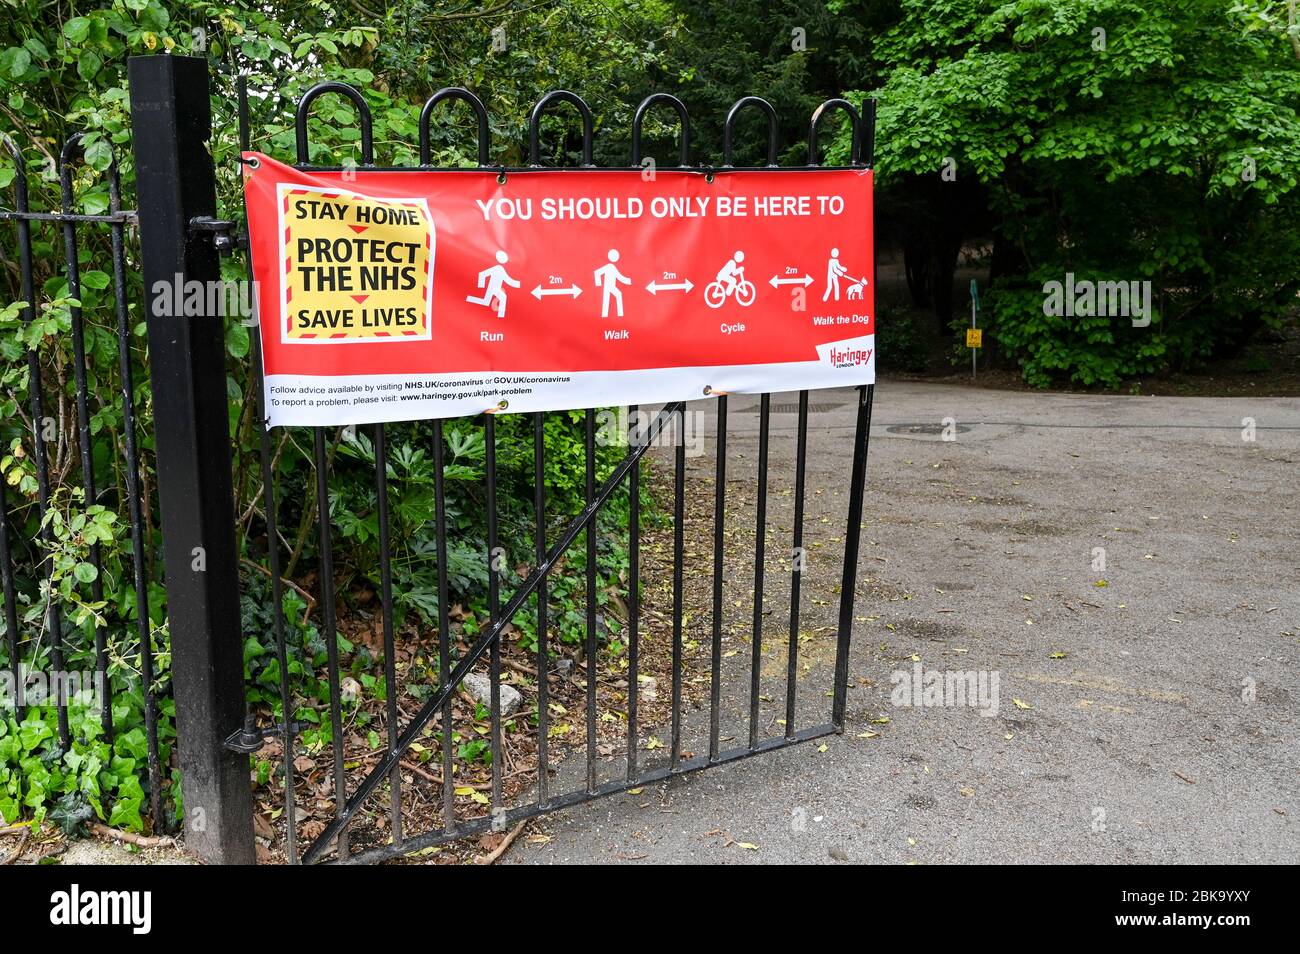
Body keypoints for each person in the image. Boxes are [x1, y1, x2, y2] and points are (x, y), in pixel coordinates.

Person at [466, 249, 520, 318]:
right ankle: (501, 316)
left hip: (495, 288)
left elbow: (507, 279)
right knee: (500, 298)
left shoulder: (500, 268)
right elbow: (483, 274)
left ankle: (470, 298)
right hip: (492, 288)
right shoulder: (498, 268)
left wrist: (517, 284)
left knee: (487, 301)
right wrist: (481, 285)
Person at [593, 249, 631, 318]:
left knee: (613, 296)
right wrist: (598, 283)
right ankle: (612, 314)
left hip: (611, 286)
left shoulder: (612, 267)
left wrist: (627, 281)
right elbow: (597, 273)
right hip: (608, 286)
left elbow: (618, 276)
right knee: (609, 298)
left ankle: (612, 314)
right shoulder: (609, 266)